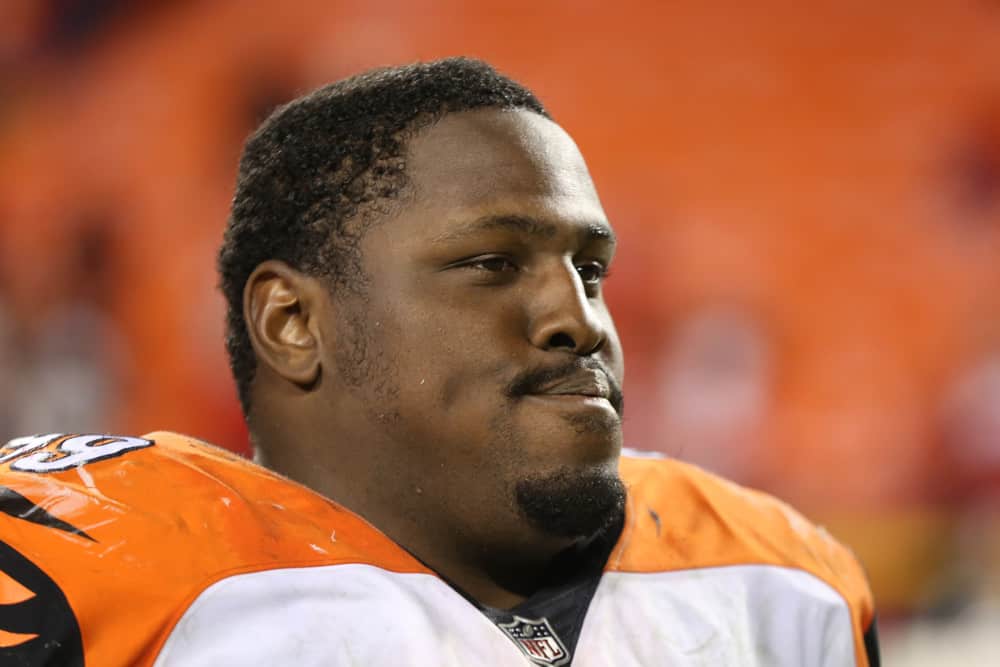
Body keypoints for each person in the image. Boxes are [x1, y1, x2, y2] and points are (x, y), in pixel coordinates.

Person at [0, 57, 879, 666]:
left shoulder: (778, 584)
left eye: (591, 271)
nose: (581, 321)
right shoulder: (98, 574)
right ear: (294, 320)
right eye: (492, 265)